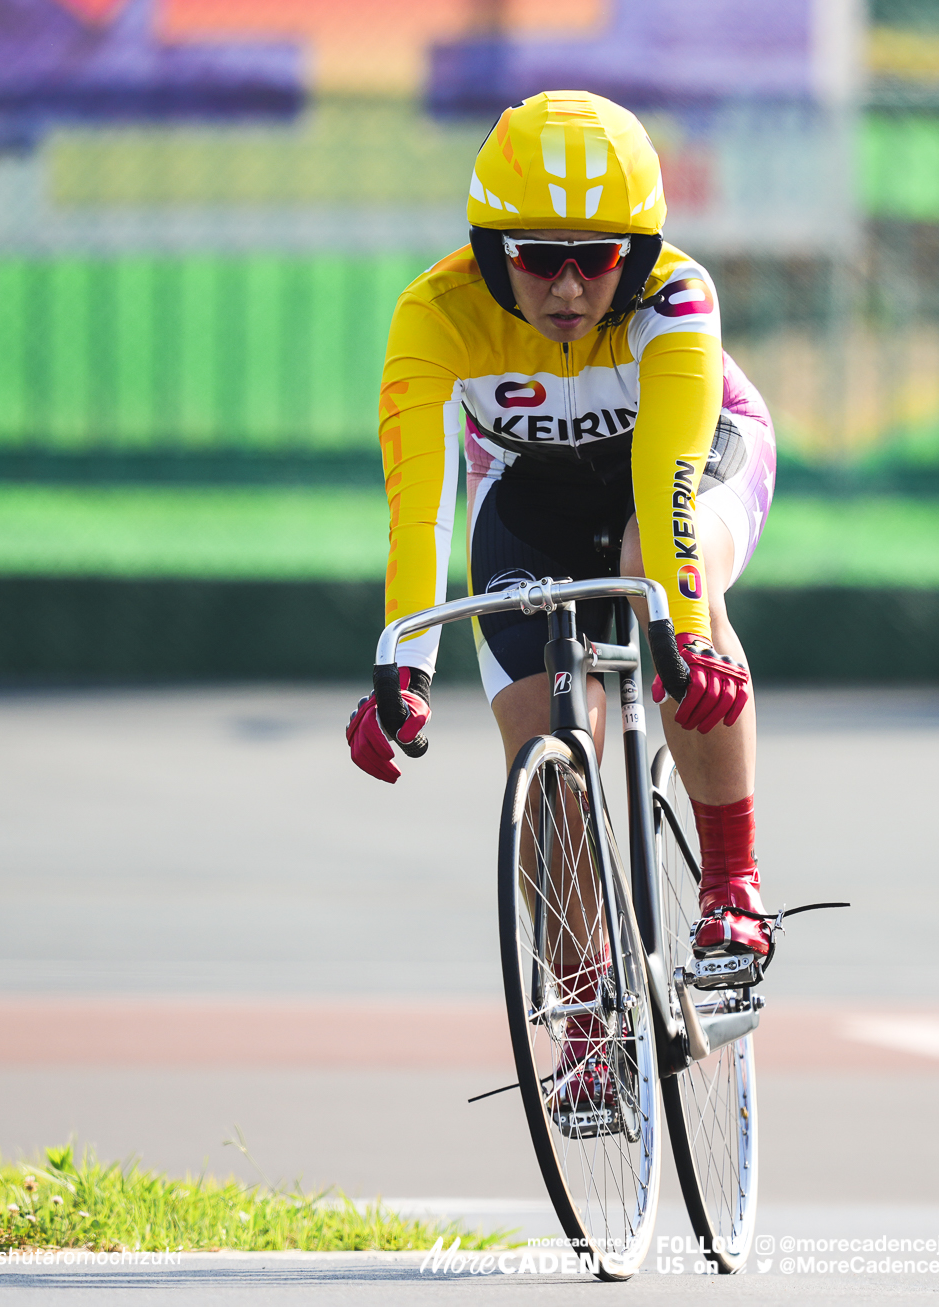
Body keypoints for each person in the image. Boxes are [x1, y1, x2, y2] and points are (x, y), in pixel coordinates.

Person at [345, 91, 778, 1095]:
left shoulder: (676, 296)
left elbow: (667, 492)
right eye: (541, 255)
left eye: (601, 254)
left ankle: (732, 882)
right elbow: (423, 513)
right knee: (535, 729)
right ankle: (587, 1012)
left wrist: (683, 636)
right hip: (531, 496)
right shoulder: (435, 316)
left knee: (649, 565)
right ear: (492, 251)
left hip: (687, 463)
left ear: (642, 249)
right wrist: (399, 672)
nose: (574, 285)